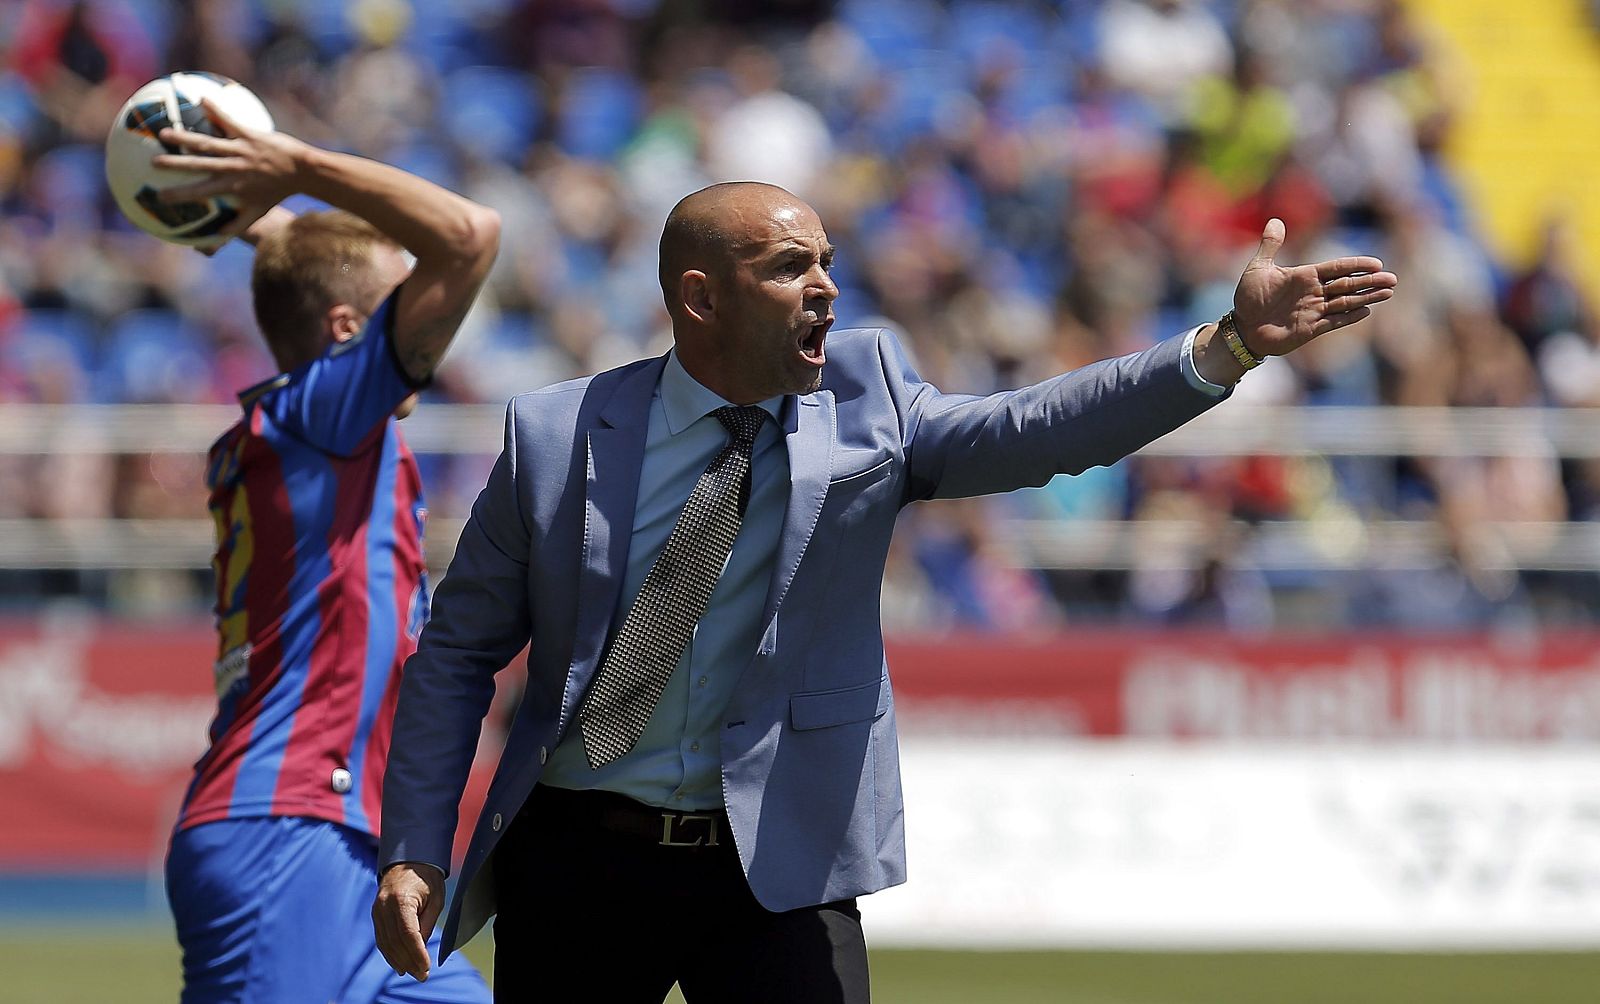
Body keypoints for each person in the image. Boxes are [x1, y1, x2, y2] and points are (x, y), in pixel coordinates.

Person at [371, 181, 1396, 1001]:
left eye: (826, 263)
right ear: (700, 297)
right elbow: (456, 651)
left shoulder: (867, 393)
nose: (824, 286)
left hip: (775, 864)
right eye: (788, 268)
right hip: (581, 858)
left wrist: (1226, 345)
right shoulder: (555, 433)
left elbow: (1033, 430)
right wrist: (414, 847)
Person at [152, 99, 499, 1003]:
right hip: (284, 835)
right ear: (348, 334)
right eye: (400, 299)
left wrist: (259, 213)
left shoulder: (304, 425)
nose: (433, 320)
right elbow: (468, 234)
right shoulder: (323, 415)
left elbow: (315, 270)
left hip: (353, 851)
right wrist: (296, 162)